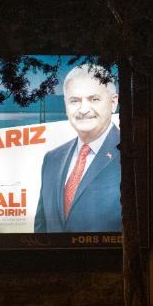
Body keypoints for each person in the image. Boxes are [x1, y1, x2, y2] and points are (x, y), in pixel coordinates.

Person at [34, 64, 122, 232]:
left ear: (113, 103)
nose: (83, 109)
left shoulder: (133, 155)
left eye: (94, 99)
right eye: (75, 101)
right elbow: (41, 230)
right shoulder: (51, 159)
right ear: (66, 105)